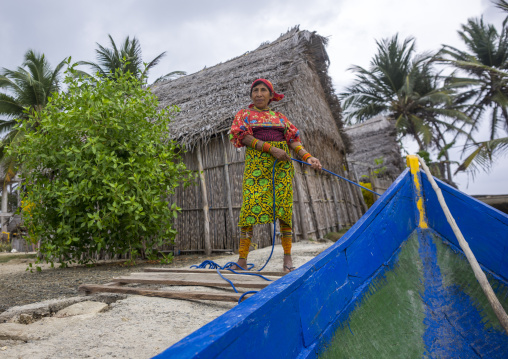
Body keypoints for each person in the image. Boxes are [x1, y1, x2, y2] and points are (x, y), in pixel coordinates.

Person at [229, 78, 322, 272]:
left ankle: (287, 258)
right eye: (255, 90)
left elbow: (293, 141)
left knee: (284, 211)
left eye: (264, 90)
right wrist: (271, 150)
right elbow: (243, 137)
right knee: (249, 210)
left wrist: (309, 157)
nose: (259, 94)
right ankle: (242, 260)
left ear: (271, 96)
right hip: (257, 168)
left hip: (281, 169)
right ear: (251, 95)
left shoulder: (280, 117)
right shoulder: (244, 114)